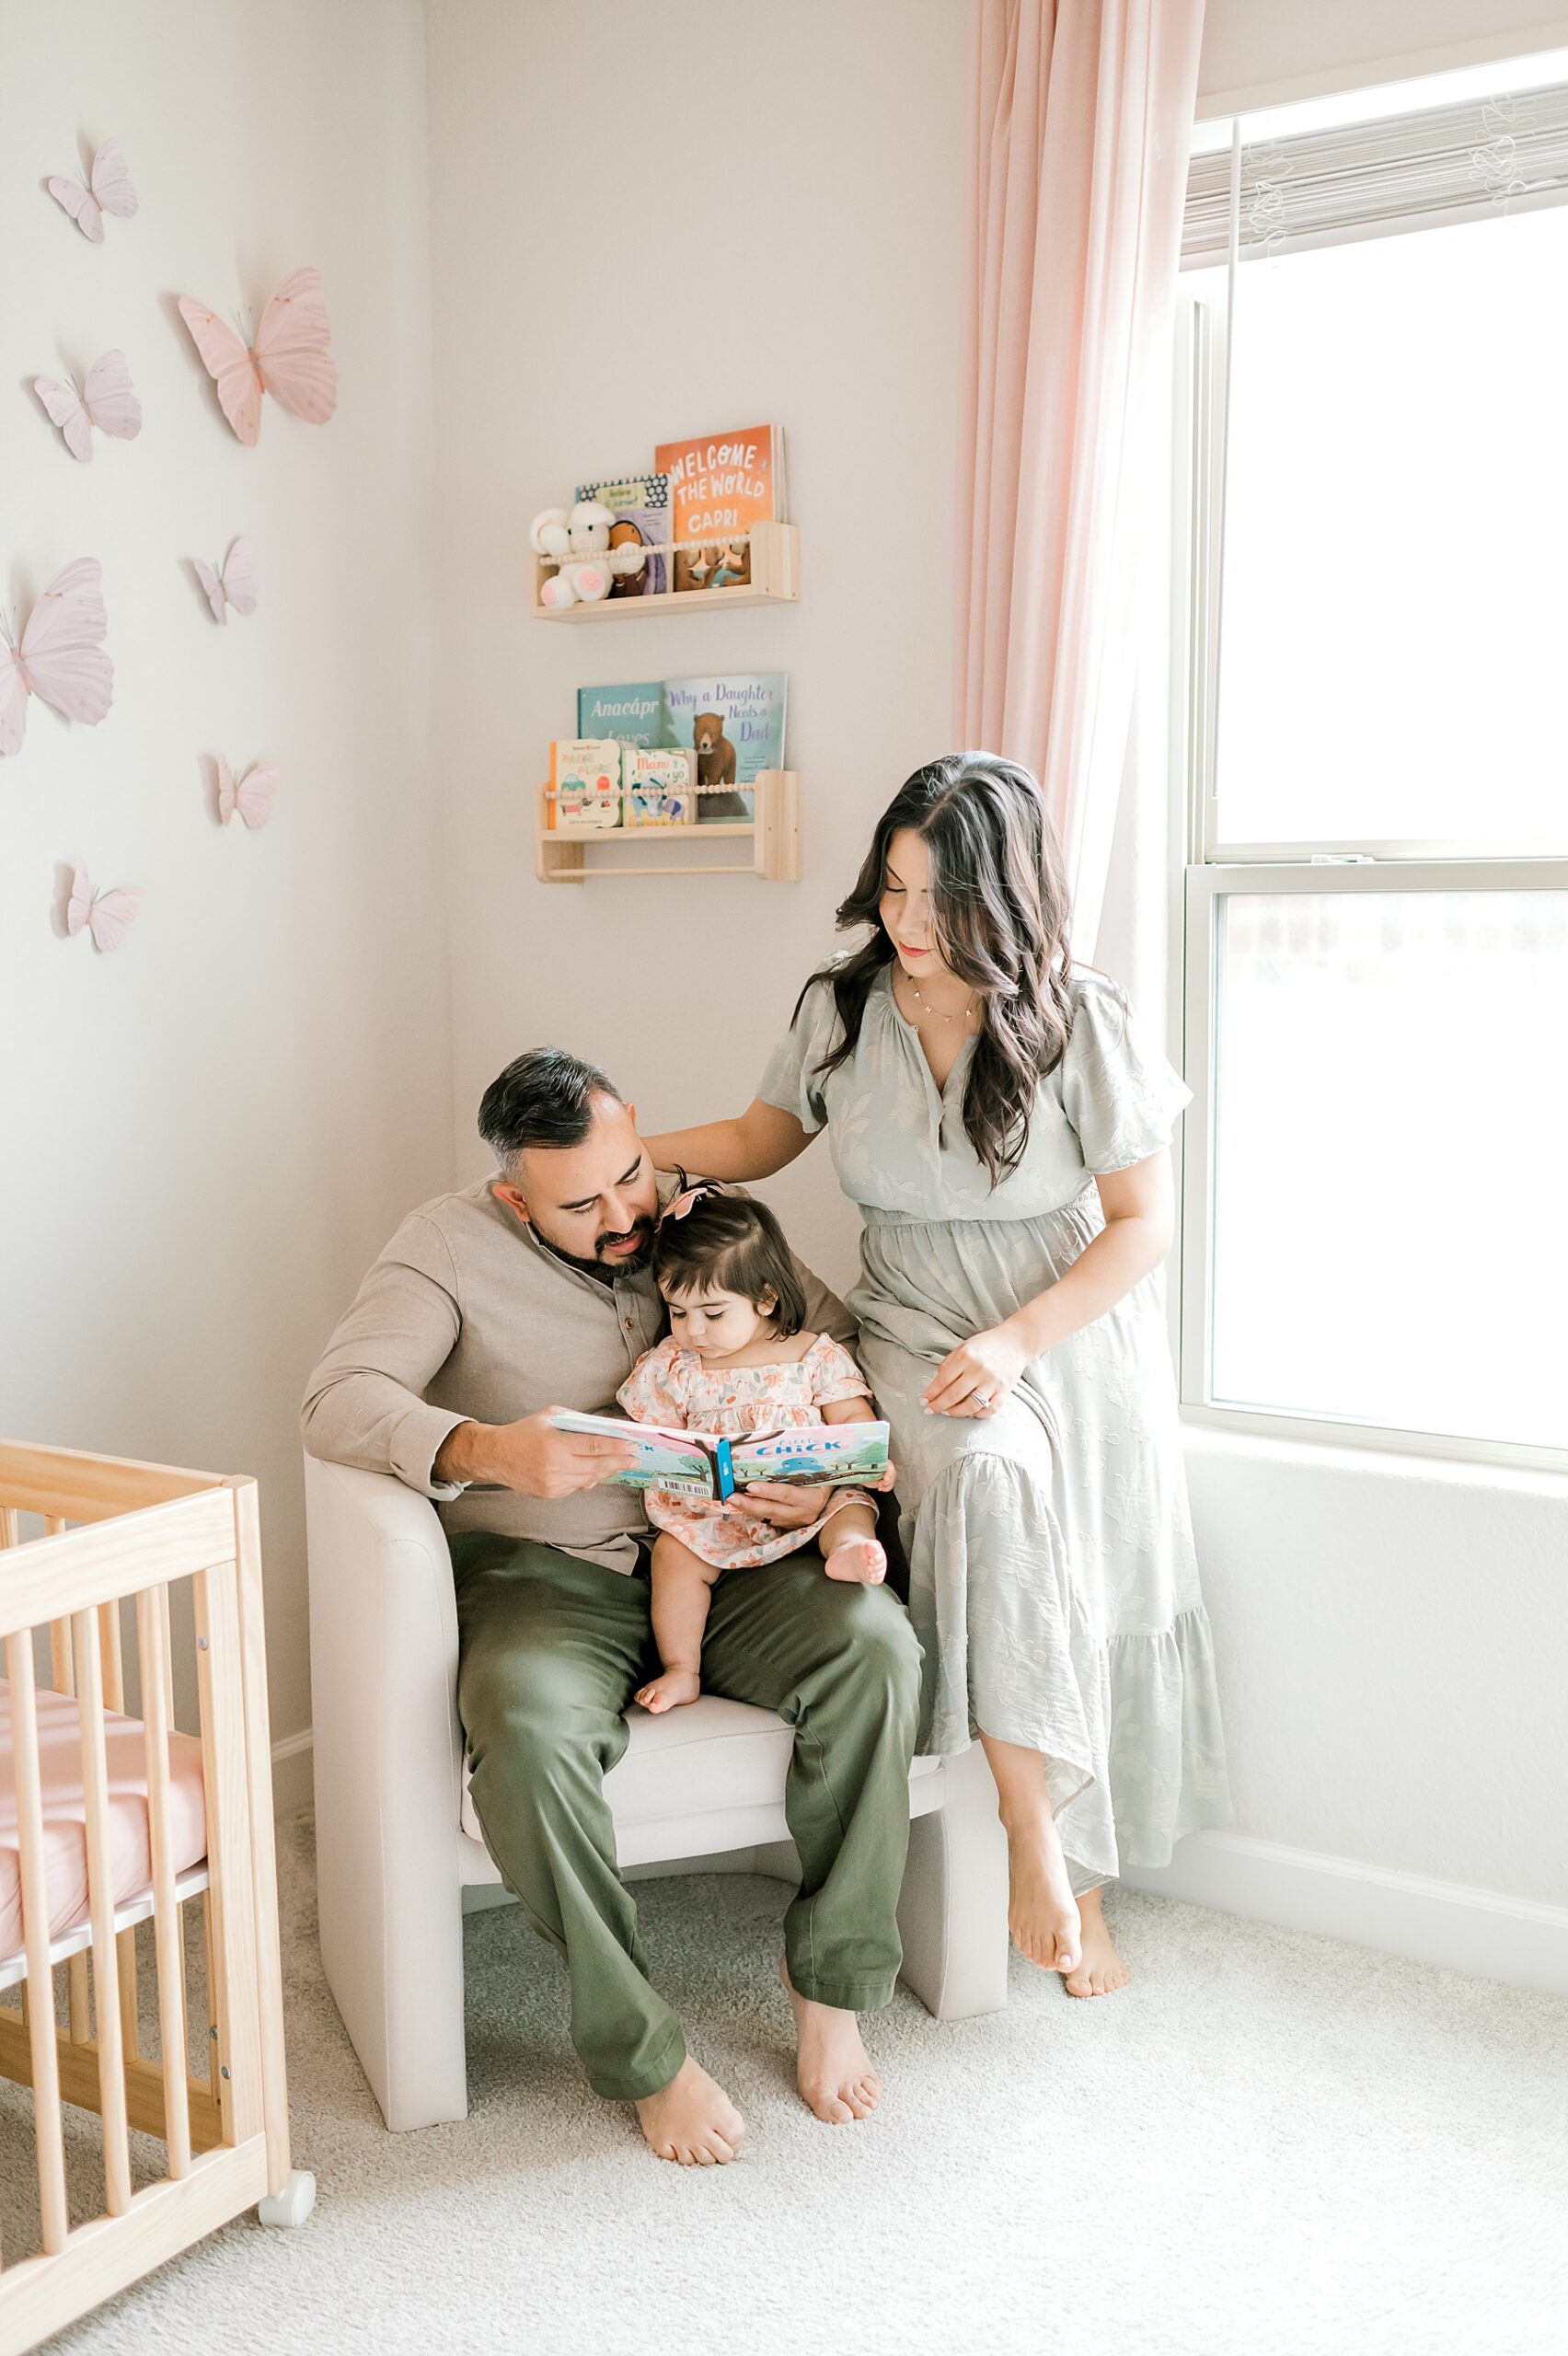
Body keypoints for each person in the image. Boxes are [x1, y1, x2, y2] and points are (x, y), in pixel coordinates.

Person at [644, 752, 1231, 2001]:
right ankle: (1035, 1836)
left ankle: (1084, 1877)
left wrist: (1020, 1339)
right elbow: (764, 1137)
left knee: (1082, 1570)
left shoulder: (1079, 1017)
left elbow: (1145, 1223)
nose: (906, 925)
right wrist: (628, 1155)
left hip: (1057, 1325)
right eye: (894, 890)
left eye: (938, 901)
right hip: (912, 1314)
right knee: (977, 1482)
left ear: (1004, 898)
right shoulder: (843, 1006)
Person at [301, 1049, 921, 2165]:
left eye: (630, 1173)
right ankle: (643, 2052)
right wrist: (485, 1448)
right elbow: (339, 1400)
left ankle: (831, 1985)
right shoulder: (443, 1243)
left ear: (639, 1130)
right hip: (550, 1573)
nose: (625, 1212)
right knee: (528, 1737)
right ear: (513, 1195)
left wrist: (824, 1475)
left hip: (735, 1560)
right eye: (580, 1204)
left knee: (875, 1648)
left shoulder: (699, 1214)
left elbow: (828, 1345)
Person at [620, 1184, 890, 1715]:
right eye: (678, 1312)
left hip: (810, 1500)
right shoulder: (674, 1365)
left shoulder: (813, 1355)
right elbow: (651, 1436)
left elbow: (853, 1418)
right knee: (673, 1556)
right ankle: (682, 1667)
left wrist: (868, 1458)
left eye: (713, 1314)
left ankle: (848, 1552)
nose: (693, 1331)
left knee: (852, 1505)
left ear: (765, 1298)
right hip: (711, 1515)